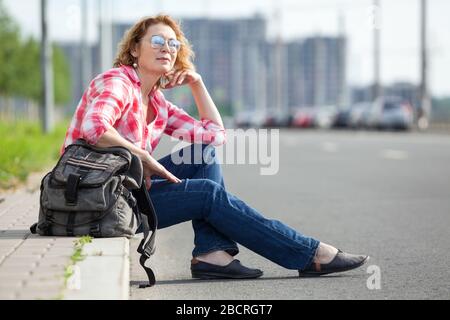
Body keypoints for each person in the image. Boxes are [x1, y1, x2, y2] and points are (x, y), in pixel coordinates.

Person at [62, 14, 368, 279]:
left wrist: (197, 83)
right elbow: (94, 129)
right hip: (96, 200)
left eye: (173, 44)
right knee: (207, 194)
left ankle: (212, 253)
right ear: (134, 49)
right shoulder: (117, 81)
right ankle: (309, 253)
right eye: (157, 41)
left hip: (123, 188)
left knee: (203, 153)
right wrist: (143, 157)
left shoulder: (157, 102)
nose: (166, 49)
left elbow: (214, 135)